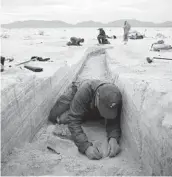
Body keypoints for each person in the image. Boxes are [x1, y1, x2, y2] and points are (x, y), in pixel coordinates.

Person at [50, 79, 122, 160]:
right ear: (97, 98)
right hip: (77, 93)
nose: (108, 114)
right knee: (57, 117)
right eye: (105, 109)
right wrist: (85, 147)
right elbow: (73, 120)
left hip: (90, 106)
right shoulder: (85, 91)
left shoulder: (114, 96)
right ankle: (73, 107)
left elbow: (113, 120)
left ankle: (79, 110)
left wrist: (114, 138)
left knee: (82, 114)